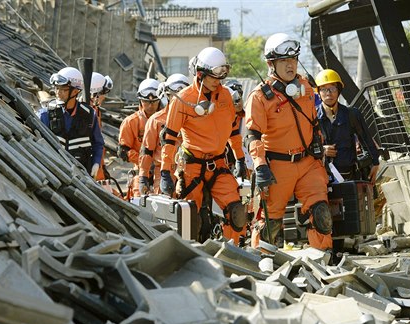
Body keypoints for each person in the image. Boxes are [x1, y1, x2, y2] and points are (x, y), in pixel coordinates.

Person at [244, 33, 333, 251]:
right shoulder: (259, 97)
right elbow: (252, 135)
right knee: (270, 222)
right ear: (271, 64)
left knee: (321, 213)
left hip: (307, 162)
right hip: (277, 166)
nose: (290, 65)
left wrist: (317, 144)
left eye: (293, 59)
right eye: (284, 61)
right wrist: (260, 166)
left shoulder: (305, 86)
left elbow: (313, 121)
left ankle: (324, 261)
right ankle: (261, 263)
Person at [159, 47, 246, 244]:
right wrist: (165, 172)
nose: (219, 81)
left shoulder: (225, 97)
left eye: (222, 76)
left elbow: (233, 130)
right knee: (190, 220)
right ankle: (191, 257)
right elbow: (170, 138)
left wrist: (239, 157)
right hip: (192, 166)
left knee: (237, 212)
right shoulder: (183, 100)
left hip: (218, 164)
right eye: (214, 77)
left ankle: (230, 254)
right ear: (200, 75)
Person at [315, 69, 380, 183]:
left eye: (333, 88)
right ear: (319, 92)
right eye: (324, 89)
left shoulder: (352, 114)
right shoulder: (312, 117)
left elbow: (366, 139)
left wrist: (375, 163)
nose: (328, 93)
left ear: (339, 91)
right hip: (321, 177)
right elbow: (305, 145)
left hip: (349, 176)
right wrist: (321, 150)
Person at [39, 67, 104, 177]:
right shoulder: (45, 115)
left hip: (82, 176)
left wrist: (96, 163)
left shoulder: (89, 115)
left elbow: (98, 143)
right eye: (56, 88)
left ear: (75, 91)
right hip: (54, 175)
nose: (58, 93)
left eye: (63, 89)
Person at [138, 74, 190, 194]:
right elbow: (147, 150)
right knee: (165, 209)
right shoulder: (156, 120)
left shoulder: (195, 119)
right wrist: (143, 177)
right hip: (164, 173)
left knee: (192, 209)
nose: (179, 99)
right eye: (175, 95)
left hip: (190, 172)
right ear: (167, 95)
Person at [118, 78, 162, 197]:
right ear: (140, 100)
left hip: (163, 172)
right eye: (146, 101)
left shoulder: (168, 120)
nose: (150, 105)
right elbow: (123, 151)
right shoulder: (131, 122)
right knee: (139, 204)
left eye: (154, 102)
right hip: (141, 173)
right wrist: (144, 162)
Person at [90, 72, 113, 180]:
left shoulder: (96, 110)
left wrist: (102, 166)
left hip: (97, 160)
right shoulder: (87, 111)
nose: (104, 97)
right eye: (103, 93)